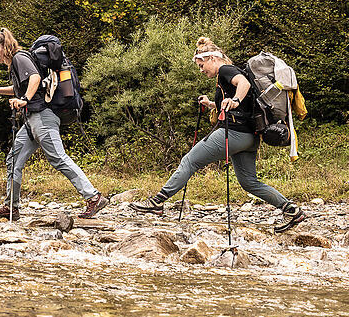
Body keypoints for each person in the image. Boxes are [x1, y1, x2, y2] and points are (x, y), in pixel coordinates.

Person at [130, 36, 306, 233]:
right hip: (249, 138)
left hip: (233, 134)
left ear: (212, 58)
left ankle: (157, 202)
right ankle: (291, 210)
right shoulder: (231, 72)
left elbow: (243, 85)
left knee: (190, 161)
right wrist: (212, 104)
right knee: (250, 183)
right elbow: (239, 102)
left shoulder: (225, 70)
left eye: (201, 64)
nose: (201, 69)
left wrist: (236, 99)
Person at [0, 28, 108, 221]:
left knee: (58, 157)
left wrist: (24, 98)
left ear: (4, 46)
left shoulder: (19, 58)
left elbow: (35, 79)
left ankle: (94, 197)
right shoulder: (19, 62)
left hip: (42, 117)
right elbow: (19, 88)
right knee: (13, 160)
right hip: (31, 120)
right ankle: (11, 208)